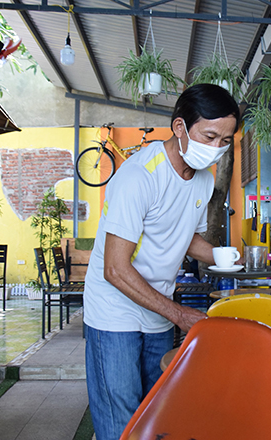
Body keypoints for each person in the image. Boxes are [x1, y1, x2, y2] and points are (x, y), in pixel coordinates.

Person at [83, 83, 241, 440]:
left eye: (225, 140)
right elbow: (115, 269)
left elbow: (183, 235)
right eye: (210, 136)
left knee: (155, 411)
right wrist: (180, 314)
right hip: (114, 309)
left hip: (157, 309)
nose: (216, 149)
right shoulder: (139, 176)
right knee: (120, 415)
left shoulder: (203, 180)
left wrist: (223, 257)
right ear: (180, 127)